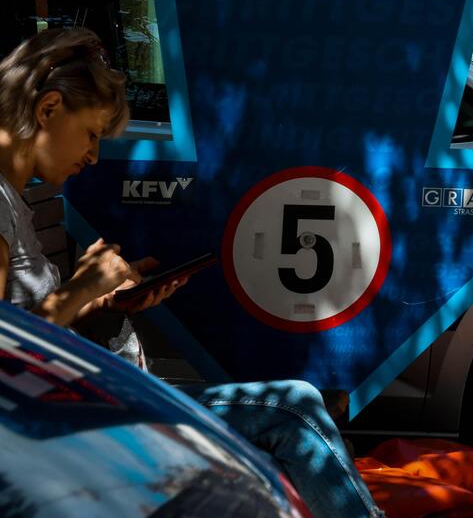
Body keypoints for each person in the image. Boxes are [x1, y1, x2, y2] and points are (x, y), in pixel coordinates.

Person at [0, 28, 382, 518]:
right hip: (73, 420)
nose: (93, 155)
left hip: (85, 402)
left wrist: (105, 307)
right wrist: (80, 287)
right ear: (48, 108)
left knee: (290, 422)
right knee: (293, 407)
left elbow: (30, 324)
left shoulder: (18, 200)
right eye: (92, 133)